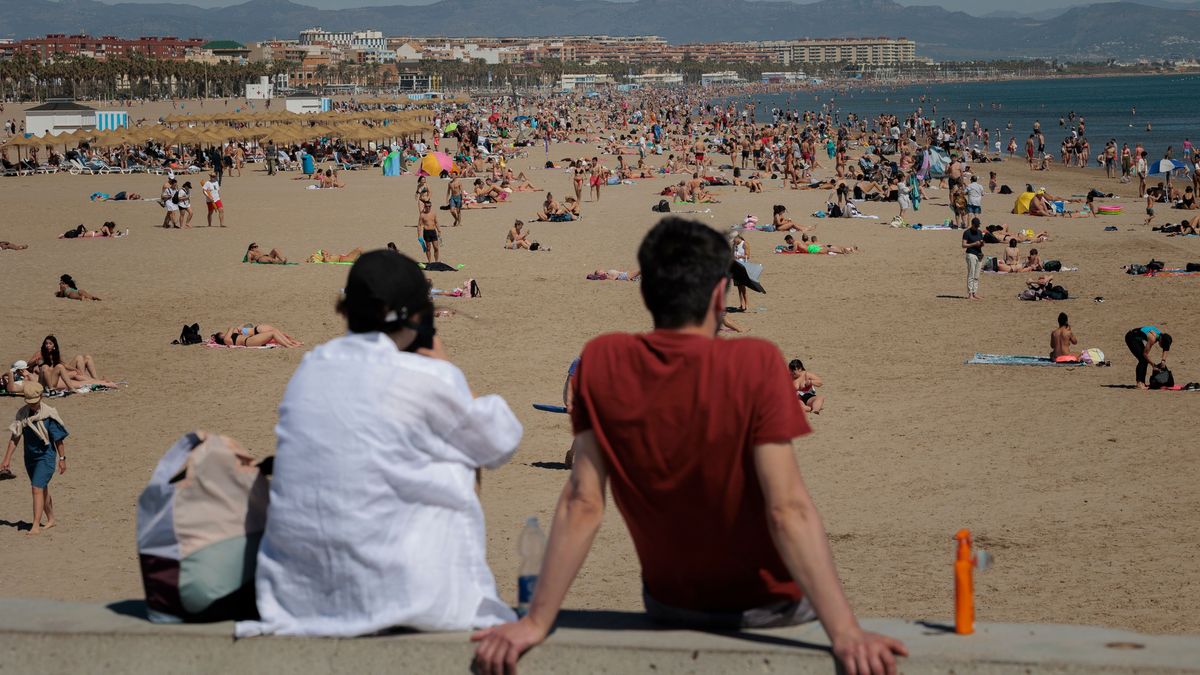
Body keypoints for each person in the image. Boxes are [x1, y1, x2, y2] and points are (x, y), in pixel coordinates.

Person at [472, 218, 907, 675]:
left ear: (646, 293)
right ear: (720, 294)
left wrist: (538, 621)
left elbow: (582, 504)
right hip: (770, 610)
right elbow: (788, 509)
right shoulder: (756, 363)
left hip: (669, 604)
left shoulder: (602, 360)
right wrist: (845, 632)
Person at [235, 250, 522, 638]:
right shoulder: (426, 375)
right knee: (465, 449)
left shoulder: (312, 366)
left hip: (298, 599)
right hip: (412, 598)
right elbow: (500, 442)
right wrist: (447, 367)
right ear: (417, 317)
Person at [1, 382, 69, 535]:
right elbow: (15, 438)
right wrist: (6, 459)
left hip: (46, 457)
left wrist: (62, 459)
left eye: (35, 402)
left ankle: (35, 525)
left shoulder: (49, 415)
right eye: (30, 402)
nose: (33, 405)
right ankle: (51, 519)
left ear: (41, 397)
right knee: (42, 488)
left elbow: (58, 440)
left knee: (36, 488)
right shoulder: (22, 414)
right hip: (30, 458)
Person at [1124, 326, 1172, 390]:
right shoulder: (1152, 338)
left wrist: (1163, 361)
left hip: (1137, 338)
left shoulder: (1162, 336)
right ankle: (1139, 383)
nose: (1162, 347)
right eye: (1163, 345)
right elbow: (1145, 354)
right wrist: (1153, 365)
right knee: (1143, 359)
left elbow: (1166, 349)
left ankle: (1142, 383)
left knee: (1144, 360)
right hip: (1131, 337)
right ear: (1161, 340)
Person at [211, 323, 302, 348]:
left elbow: (237, 328)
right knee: (273, 333)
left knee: (274, 332)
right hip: (249, 342)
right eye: (223, 334)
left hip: (251, 339)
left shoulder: (231, 336)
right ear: (221, 337)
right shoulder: (227, 340)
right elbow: (231, 328)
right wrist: (230, 330)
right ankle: (289, 345)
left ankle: (291, 344)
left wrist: (238, 329)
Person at [962, 217, 986, 300]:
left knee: (977, 276)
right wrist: (974, 244)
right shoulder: (967, 233)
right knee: (971, 274)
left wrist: (982, 243)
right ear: (972, 224)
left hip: (979, 254)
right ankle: (970, 294)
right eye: (976, 226)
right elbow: (964, 245)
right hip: (970, 254)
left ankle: (975, 293)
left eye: (978, 226)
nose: (977, 227)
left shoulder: (979, 232)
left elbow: (982, 243)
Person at [418, 200, 441, 264]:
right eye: (426, 206)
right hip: (426, 232)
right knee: (428, 248)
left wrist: (439, 231)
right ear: (424, 206)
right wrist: (419, 235)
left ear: (431, 206)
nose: (428, 207)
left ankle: (436, 262)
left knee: (436, 247)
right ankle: (429, 262)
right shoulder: (422, 215)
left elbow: (436, 222)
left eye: (429, 206)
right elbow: (419, 225)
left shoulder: (433, 213)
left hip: (433, 231)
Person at [732, 233, 749, 312]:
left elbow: (748, 256)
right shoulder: (734, 245)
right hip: (735, 267)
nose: (733, 242)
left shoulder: (744, 243)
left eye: (734, 240)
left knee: (742, 286)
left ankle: (746, 304)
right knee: (739, 287)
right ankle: (741, 304)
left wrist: (739, 256)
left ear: (737, 238)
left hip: (742, 267)